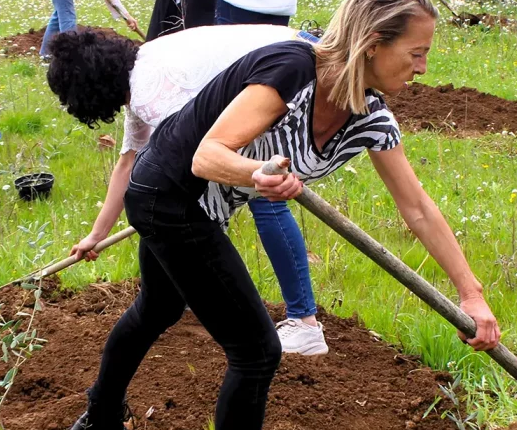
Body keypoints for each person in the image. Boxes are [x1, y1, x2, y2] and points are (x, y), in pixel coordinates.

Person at [63, 0, 501, 430]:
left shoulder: (370, 118)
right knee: (257, 350)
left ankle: (95, 427)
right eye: (416, 52)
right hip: (169, 195)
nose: (422, 67)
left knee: (159, 306)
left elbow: (418, 209)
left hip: (196, 203)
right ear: (373, 43)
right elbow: (208, 154)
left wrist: (471, 295)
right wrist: (257, 174)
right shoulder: (292, 67)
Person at [47, 23, 332, 355]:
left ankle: (304, 324)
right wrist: (95, 236)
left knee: (265, 190)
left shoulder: (152, 94)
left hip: (297, 64)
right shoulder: (144, 70)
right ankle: (186, 291)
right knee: (253, 182)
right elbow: (128, 165)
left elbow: (197, 155)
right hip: (296, 50)